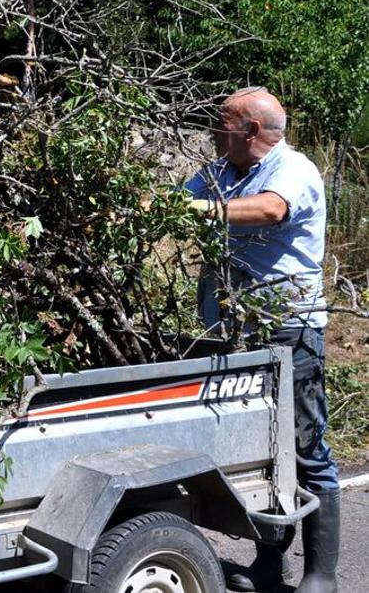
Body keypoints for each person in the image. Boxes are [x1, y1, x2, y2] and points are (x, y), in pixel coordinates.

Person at [184, 86, 339, 593]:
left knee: (305, 446)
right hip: (233, 327)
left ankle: (322, 574)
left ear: (250, 130)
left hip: (288, 328)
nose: (213, 129)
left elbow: (271, 211)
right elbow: (178, 202)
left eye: (222, 121)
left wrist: (199, 211)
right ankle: (269, 565)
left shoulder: (293, 169)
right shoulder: (224, 172)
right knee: (261, 449)